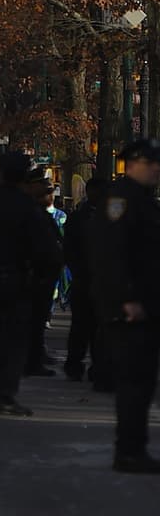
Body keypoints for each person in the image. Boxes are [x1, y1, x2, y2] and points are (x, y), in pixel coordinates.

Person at [0, 150, 64, 417]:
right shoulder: (29, 209)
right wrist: (42, 279)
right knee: (13, 342)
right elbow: (49, 251)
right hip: (18, 281)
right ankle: (5, 396)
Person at [88, 137, 160, 473]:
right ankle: (129, 451)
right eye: (152, 163)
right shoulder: (120, 200)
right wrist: (126, 298)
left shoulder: (142, 200)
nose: (157, 169)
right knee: (133, 381)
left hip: (145, 304)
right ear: (134, 164)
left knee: (143, 381)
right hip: (128, 308)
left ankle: (134, 448)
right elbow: (111, 254)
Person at [64, 179, 110, 389]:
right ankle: (85, 367)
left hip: (90, 279)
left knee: (86, 327)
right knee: (88, 327)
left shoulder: (82, 217)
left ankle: (86, 367)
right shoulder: (92, 218)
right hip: (89, 279)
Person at [23, 171, 63, 378]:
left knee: (36, 322)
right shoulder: (29, 212)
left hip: (42, 275)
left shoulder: (40, 213)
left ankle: (35, 355)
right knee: (31, 320)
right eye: (45, 189)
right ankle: (30, 360)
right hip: (32, 275)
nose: (50, 195)